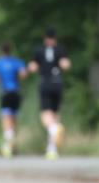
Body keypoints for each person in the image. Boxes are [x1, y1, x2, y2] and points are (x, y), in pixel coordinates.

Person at [27, 28, 70, 159]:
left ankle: (54, 130)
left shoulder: (39, 50)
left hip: (45, 83)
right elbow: (66, 65)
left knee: (46, 114)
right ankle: (52, 148)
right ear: (55, 38)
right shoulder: (60, 50)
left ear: (45, 38)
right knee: (55, 114)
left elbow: (32, 67)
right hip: (57, 83)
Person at [0, 43, 28, 158]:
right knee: (13, 119)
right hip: (16, 92)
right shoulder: (16, 62)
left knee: (6, 119)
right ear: (10, 51)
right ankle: (13, 145)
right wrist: (16, 78)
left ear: (1, 51)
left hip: (5, 93)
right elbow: (23, 74)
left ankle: (7, 146)